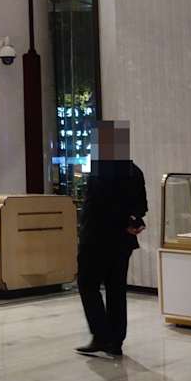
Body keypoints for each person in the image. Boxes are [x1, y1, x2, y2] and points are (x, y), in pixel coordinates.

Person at [76, 120, 147, 359]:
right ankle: (116, 341)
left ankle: (101, 335)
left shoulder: (101, 172)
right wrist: (133, 221)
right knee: (116, 289)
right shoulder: (134, 170)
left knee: (87, 284)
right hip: (123, 241)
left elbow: (100, 207)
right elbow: (141, 206)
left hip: (97, 239)